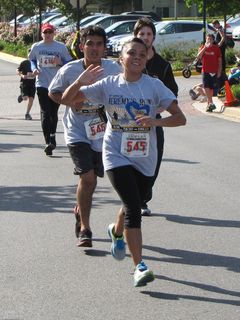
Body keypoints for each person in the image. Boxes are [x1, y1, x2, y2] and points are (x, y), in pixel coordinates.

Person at [61, 38, 186, 287]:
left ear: (147, 57)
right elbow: (66, 100)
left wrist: (155, 122)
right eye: (132, 53)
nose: (137, 57)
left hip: (145, 157)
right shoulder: (108, 84)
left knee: (136, 200)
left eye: (142, 53)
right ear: (122, 58)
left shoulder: (154, 87)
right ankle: (139, 267)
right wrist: (78, 83)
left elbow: (180, 118)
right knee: (133, 208)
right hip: (115, 153)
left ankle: (116, 232)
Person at [48, 26, 122, 247]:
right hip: (77, 131)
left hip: (102, 132)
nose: (94, 48)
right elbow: (53, 92)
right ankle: (85, 229)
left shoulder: (113, 68)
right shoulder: (70, 70)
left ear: (104, 47)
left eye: (99, 44)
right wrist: (73, 100)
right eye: (89, 43)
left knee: (93, 181)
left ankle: (80, 209)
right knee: (87, 178)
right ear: (81, 46)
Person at [133, 17, 178, 216]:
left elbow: (172, 92)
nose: (145, 37)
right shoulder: (128, 60)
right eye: (141, 33)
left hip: (153, 123)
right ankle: (134, 197)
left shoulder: (162, 65)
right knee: (131, 161)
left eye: (149, 34)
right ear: (135, 35)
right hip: (128, 123)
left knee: (154, 159)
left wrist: (160, 108)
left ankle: (143, 198)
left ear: (154, 37)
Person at [29, 23, 72, 156]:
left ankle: (52, 136)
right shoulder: (36, 47)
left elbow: (69, 63)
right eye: (45, 33)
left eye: (50, 32)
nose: (47, 35)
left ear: (54, 33)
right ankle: (48, 141)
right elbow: (32, 60)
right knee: (45, 113)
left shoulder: (61, 47)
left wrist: (60, 63)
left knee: (53, 113)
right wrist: (34, 69)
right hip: (41, 83)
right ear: (41, 34)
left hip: (57, 85)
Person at [197, 33, 222, 112]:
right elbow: (198, 57)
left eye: (210, 39)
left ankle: (209, 105)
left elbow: (220, 61)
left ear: (213, 40)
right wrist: (204, 48)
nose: (208, 40)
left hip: (214, 71)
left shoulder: (216, 48)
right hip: (205, 71)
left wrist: (219, 71)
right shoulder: (202, 47)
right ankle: (211, 102)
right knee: (206, 87)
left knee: (211, 89)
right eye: (207, 39)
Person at [212, 19, 227, 90]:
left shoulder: (220, 29)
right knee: (221, 62)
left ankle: (224, 82)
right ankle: (223, 81)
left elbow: (223, 37)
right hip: (220, 49)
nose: (214, 26)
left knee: (221, 62)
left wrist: (219, 44)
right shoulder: (219, 29)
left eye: (214, 25)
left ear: (217, 24)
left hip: (221, 49)